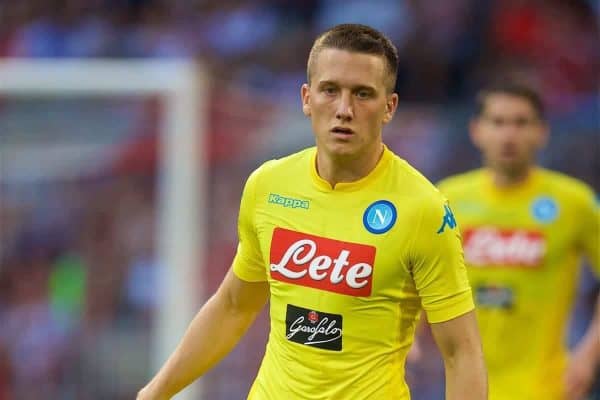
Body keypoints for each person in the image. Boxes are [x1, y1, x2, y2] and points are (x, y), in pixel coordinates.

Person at [137, 24, 487, 400]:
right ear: (307, 97)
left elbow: (461, 352)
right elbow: (235, 304)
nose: (344, 110)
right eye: (330, 90)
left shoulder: (423, 209)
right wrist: (155, 392)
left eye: (363, 94)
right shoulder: (269, 185)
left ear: (389, 107)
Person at [436, 82, 599, 400]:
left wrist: (589, 355)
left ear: (542, 132)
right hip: (461, 388)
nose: (509, 135)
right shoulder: (445, 199)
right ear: (476, 130)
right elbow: (411, 284)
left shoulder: (574, 203)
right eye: (498, 122)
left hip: (547, 388)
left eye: (521, 123)